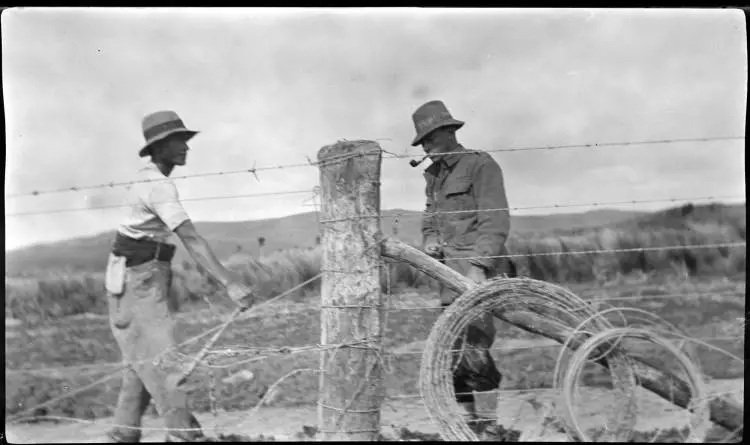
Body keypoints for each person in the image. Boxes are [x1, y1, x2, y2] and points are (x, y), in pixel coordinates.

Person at [104, 110, 255, 443]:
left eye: (186, 140)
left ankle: (124, 435)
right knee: (167, 363)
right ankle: (184, 435)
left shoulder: (150, 180)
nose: (186, 147)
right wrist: (229, 281)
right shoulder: (157, 187)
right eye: (177, 141)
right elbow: (191, 239)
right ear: (159, 148)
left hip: (144, 274)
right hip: (138, 278)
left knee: (140, 363)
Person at [410, 100, 515, 436]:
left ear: (449, 132)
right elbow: (430, 218)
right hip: (448, 278)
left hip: (475, 274)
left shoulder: (480, 166)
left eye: (429, 137)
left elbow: (495, 221)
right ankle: (469, 427)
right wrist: (429, 241)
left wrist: (480, 267)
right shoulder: (434, 176)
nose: (424, 144)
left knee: (474, 347)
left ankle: (489, 429)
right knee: (452, 352)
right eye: (421, 139)